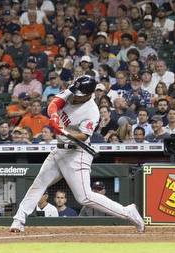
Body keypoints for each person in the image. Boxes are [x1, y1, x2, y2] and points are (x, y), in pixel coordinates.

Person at [10, 75, 144, 233]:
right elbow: (54, 103)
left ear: (89, 95)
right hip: (60, 150)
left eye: (79, 95)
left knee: (84, 197)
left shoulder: (92, 111)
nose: (74, 96)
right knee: (39, 183)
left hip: (77, 153)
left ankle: (128, 212)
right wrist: (54, 116)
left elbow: (83, 136)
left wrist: (62, 130)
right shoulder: (73, 91)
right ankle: (19, 219)